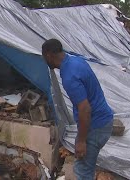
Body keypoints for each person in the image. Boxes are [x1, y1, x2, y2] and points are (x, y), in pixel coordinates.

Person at [42, 39, 113, 180]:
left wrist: (81, 140)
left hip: (96, 126)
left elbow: (85, 109)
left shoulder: (69, 76)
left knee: (82, 172)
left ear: (49, 55)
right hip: (104, 120)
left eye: (43, 56)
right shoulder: (76, 61)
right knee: (86, 167)